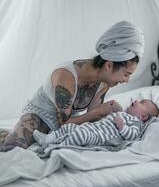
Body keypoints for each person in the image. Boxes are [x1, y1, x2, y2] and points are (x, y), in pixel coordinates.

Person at [0, 20, 144, 152]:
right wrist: (99, 111)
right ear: (109, 65)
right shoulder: (66, 77)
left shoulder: (103, 84)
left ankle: (10, 132)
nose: (127, 80)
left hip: (63, 125)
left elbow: (92, 119)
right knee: (11, 150)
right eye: (126, 74)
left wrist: (114, 118)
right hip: (40, 117)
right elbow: (66, 123)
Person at [33, 99, 159, 147]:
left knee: (80, 135)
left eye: (142, 103)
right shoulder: (124, 114)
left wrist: (122, 127)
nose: (137, 100)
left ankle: (59, 146)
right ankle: (48, 139)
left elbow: (133, 136)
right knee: (70, 127)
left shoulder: (135, 123)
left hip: (99, 137)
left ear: (143, 116)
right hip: (92, 128)